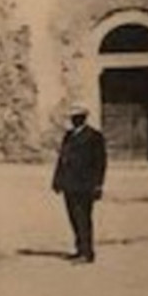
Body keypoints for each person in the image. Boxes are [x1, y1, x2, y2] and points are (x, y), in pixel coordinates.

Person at [52, 104, 107, 264]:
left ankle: (87, 253)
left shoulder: (94, 136)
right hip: (69, 184)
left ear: (84, 118)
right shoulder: (68, 136)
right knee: (73, 218)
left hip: (85, 185)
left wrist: (98, 185)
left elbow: (100, 163)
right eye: (73, 118)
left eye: (78, 117)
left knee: (83, 218)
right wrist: (57, 180)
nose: (75, 120)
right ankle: (79, 249)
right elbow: (62, 159)